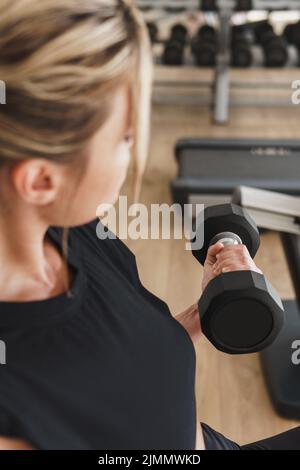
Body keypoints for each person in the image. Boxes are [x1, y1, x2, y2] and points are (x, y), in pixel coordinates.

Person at [0, 0, 298, 450]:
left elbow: (106, 378)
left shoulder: (72, 233)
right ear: (41, 180)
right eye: (124, 138)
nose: (135, 152)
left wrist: (189, 323)